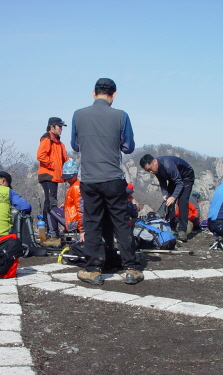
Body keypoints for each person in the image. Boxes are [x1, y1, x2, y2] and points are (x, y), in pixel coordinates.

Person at [71, 78, 142, 285]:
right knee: (120, 221)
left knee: (92, 222)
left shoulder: (78, 114)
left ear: (94, 93)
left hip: (89, 179)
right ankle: (131, 267)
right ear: (114, 94)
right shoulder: (121, 116)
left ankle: (93, 269)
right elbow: (128, 147)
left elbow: (75, 145)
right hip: (113, 177)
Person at [139, 154, 195, 242]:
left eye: (150, 168)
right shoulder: (156, 169)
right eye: (147, 170)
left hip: (186, 177)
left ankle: (182, 230)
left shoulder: (168, 165)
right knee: (168, 201)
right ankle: (170, 226)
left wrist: (173, 197)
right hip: (174, 178)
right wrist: (165, 194)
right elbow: (162, 181)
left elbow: (180, 183)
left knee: (182, 201)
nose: (150, 172)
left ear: (154, 161)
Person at [37, 117, 69, 242]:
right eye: (59, 126)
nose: (61, 129)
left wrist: (68, 161)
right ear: (52, 127)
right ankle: (54, 231)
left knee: (49, 203)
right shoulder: (47, 139)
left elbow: (62, 158)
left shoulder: (58, 143)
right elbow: (40, 155)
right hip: (48, 176)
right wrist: (53, 165)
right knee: (51, 203)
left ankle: (48, 231)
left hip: (53, 177)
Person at [45, 160, 84, 246]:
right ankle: (55, 236)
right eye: (66, 178)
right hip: (75, 220)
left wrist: (82, 230)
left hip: (75, 223)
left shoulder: (76, 187)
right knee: (56, 209)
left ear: (76, 174)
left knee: (50, 209)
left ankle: (54, 237)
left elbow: (81, 210)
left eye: (70, 177)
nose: (67, 180)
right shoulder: (75, 185)